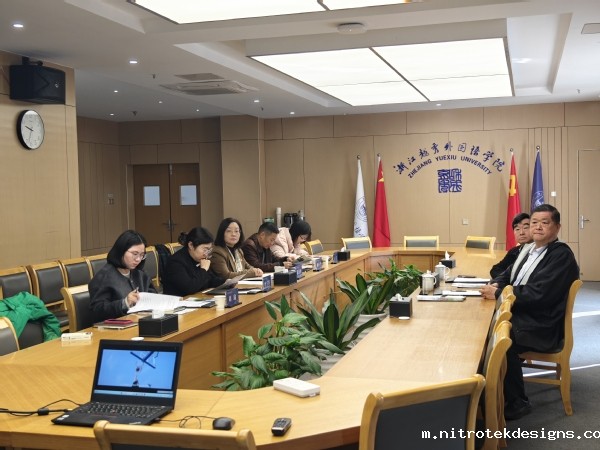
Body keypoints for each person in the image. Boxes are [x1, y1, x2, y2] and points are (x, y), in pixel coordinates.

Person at [480, 204, 579, 420]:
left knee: (500, 338)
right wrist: (496, 285)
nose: (538, 227)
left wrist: (499, 294)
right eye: (534, 222)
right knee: (484, 329)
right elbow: (507, 274)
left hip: (542, 324)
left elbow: (540, 294)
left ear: (557, 227)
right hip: (525, 313)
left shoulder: (561, 255)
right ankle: (485, 394)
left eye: (545, 223)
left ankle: (518, 401)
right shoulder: (529, 249)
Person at [89, 230, 157, 322]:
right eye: (135, 254)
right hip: (116, 327)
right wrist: (125, 303)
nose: (138, 259)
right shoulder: (104, 277)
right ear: (121, 251)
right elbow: (97, 312)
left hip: (141, 322)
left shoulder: (141, 273)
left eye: (142, 255)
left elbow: (153, 296)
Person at [162, 227, 225, 297]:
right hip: (179, 301)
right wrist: (203, 269)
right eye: (205, 249)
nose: (206, 254)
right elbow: (190, 288)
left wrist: (227, 282)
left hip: (198, 298)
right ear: (191, 245)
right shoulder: (176, 262)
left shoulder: (198, 258)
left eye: (209, 250)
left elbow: (210, 280)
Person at [490, 213, 532, 278]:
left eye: (525, 228)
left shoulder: (537, 252)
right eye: (517, 229)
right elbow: (495, 269)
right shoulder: (514, 251)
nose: (521, 233)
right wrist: (507, 279)